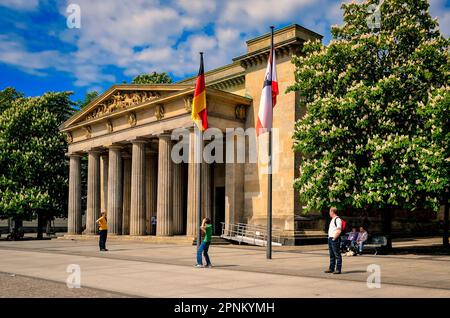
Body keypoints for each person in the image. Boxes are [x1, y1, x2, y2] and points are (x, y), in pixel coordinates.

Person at [325, 207, 342, 274]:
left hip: (334, 239)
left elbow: (339, 230)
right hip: (330, 238)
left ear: (332, 212)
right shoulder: (333, 219)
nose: (329, 213)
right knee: (332, 254)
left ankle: (338, 269)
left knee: (337, 254)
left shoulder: (337, 219)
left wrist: (334, 238)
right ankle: (331, 268)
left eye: (330, 211)